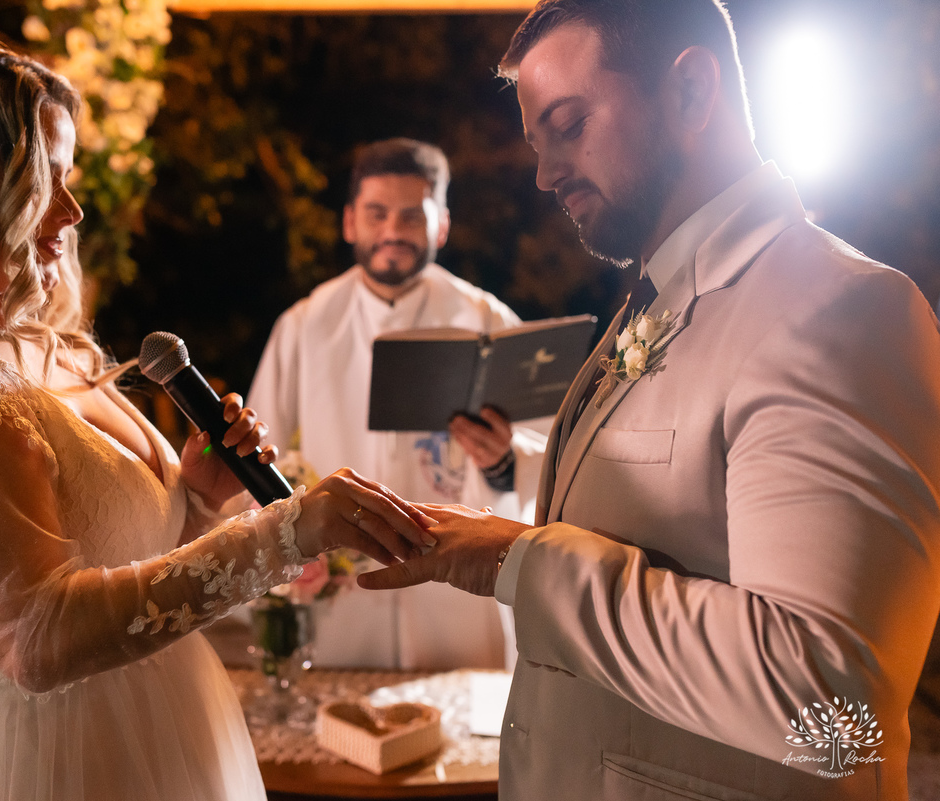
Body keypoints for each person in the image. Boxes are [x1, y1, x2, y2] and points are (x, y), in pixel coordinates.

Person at [0, 23, 435, 801]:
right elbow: (35, 636)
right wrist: (287, 533)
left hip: (157, 739)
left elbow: (128, 563)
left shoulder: (51, 348)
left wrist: (200, 497)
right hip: (22, 765)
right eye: (44, 178)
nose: (71, 212)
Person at [358, 1, 940, 799]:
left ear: (692, 91)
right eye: (536, 142)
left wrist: (514, 562)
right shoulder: (649, 306)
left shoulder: (837, 307)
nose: (544, 172)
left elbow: (834, 716)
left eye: (568, 124)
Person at [248, 138, 547, 670]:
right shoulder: (304, 326)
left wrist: (505, 460)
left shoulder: (486, 321)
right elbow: (255, 459)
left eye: (412, 217)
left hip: (458, 593)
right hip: (344, 595)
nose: (392, 232)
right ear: (349, 222)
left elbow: (547, 450)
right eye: (377, 214)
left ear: (442, 227)